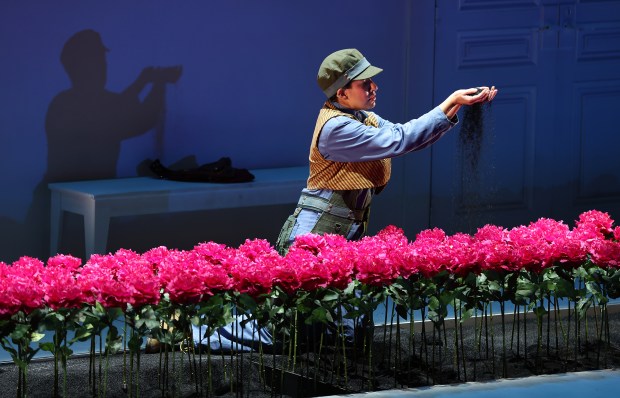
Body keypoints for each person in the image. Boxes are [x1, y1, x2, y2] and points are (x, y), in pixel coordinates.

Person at [275, 48, 497, 254]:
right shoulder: (337, 128)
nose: (374, 87)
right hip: (315, 233)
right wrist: (451, 100)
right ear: (342, 94)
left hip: (342, 229)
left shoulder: (363, 117)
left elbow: (408, 137)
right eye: (365, 83)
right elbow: (400, 140)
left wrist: (456, 105)